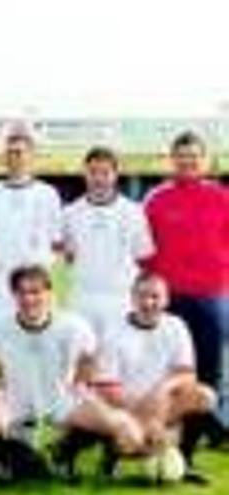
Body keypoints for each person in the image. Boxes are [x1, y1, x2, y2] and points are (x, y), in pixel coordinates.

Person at [0, 265, 145, 481]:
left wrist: (81, 384)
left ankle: (68, 453)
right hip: (15, 399)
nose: (28, 299)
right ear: (13, 295)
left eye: (35, 292)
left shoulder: (72, 325)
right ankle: (8, 458)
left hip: (61, 400)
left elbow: (90, 354)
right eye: (21, 292)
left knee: (128, 433)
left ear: (49, 293)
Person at [143, 130, 229, 443]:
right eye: (182, 157)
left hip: (212, 294)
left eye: (194, 156)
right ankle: (170, 417)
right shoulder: (157, 199)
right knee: (173, 363)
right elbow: (145, 248)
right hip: (170, 296)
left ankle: (215, 424)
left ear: (204, 160)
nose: (188, 161)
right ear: (172, 160)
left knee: (212, 363)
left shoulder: (222, 197)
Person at [94, 272, 215, 481]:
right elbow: (106, 388)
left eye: (155, 297)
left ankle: (183, 460)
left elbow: (187, 375)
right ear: (132, 298)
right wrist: (148, 419)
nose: (149, 303)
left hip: (163, 405)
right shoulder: (114, 330)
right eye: (142, 296)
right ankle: (111, 457)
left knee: (205, 396)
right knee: (130, 443)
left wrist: (162, 390)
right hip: (126, 408)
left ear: (166, 299)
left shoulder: (176, 326)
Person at [62, 145, 154, 338]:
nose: (99, 178)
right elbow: (65, 260)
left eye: (105, 172)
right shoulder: (69, 213)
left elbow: (143, 256)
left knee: (118, 365)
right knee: (82, 362)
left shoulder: (134, 212)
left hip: (121, 300)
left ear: (115, 174)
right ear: (84, 174)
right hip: (81, 300)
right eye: (93, 172)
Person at [0, 130, 62, 314]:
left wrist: (41, 268)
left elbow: (56, 244)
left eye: (20, 152)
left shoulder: (48, 194)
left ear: (31, 156)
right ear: (4, 157)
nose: (15, 157)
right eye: (10, 152)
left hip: (36, 284)